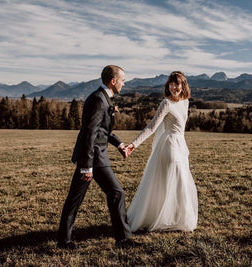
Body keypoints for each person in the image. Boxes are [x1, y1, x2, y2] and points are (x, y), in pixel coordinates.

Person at [57, 65, 136, 249]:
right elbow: (89, 134)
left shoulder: (103, 98)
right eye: (122, 80)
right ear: (113, 81)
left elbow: (103, 131)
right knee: (116, 193)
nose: (124, 84)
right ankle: (123, 239)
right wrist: (86, 166)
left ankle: (64, 240)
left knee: (75, 199)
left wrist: (120, 144)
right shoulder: (99, 100)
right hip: (94, 157)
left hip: (96, 156)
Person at [125, 71, 198, 232]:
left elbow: (182, 129)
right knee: (175, 178)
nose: (173, 87)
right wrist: (134, 144)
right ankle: (159, 218)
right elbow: (152, 127)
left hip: (180, 144)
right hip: (169, 146)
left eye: (177, 84)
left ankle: (176, 218)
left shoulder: (185, 102)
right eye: (171, 84)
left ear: (183, 85)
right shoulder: (166, 103)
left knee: (178, 182)